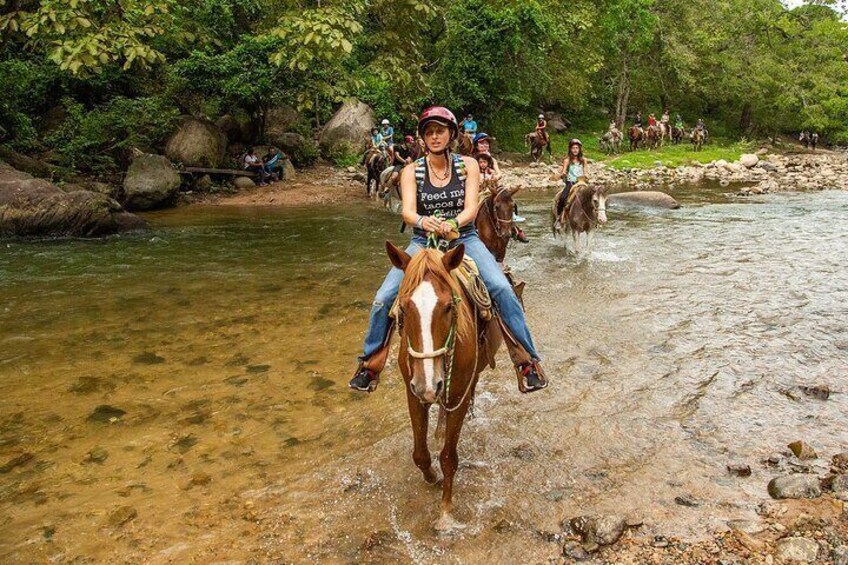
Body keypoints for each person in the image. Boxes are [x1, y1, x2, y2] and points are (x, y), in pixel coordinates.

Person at [348, 106, 548, 393]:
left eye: (440, 131)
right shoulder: (410, 171)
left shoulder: (468, 165)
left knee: (501, 289)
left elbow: (471, 208)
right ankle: (370, 363)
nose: (434, 136)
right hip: (422, 242)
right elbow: (407, 212)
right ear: (423, 138)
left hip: (463, 239)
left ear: (451, 134)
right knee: (383, 298)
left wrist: (452, 222)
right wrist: (423, 221)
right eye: (429, 132)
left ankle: (527, 362)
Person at [473, 133, 529, 243]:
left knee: (507, 203)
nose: (485, 145)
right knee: (474, 208)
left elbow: (499, 173)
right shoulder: (473, 160)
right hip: (478, 190)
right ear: (476, 145)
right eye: (482, 143)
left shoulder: (492, 159)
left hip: (493, 189)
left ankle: (514, 228)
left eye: (487, 143)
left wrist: (495, 176)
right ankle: (472, 228)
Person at [554, 139, 588, 226]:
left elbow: (585, 171)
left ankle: (593, 217)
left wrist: (586, 175)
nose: (575, 150)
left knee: (593, 197)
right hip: (571, 183)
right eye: (573, 148)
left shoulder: (583, 160)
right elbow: (564, 171)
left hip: (581, 182)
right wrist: (563, 173)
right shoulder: (567, 160)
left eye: (577, 148)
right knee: (562, 198)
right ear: (570, 149)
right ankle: (558, 217)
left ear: (580, 149)